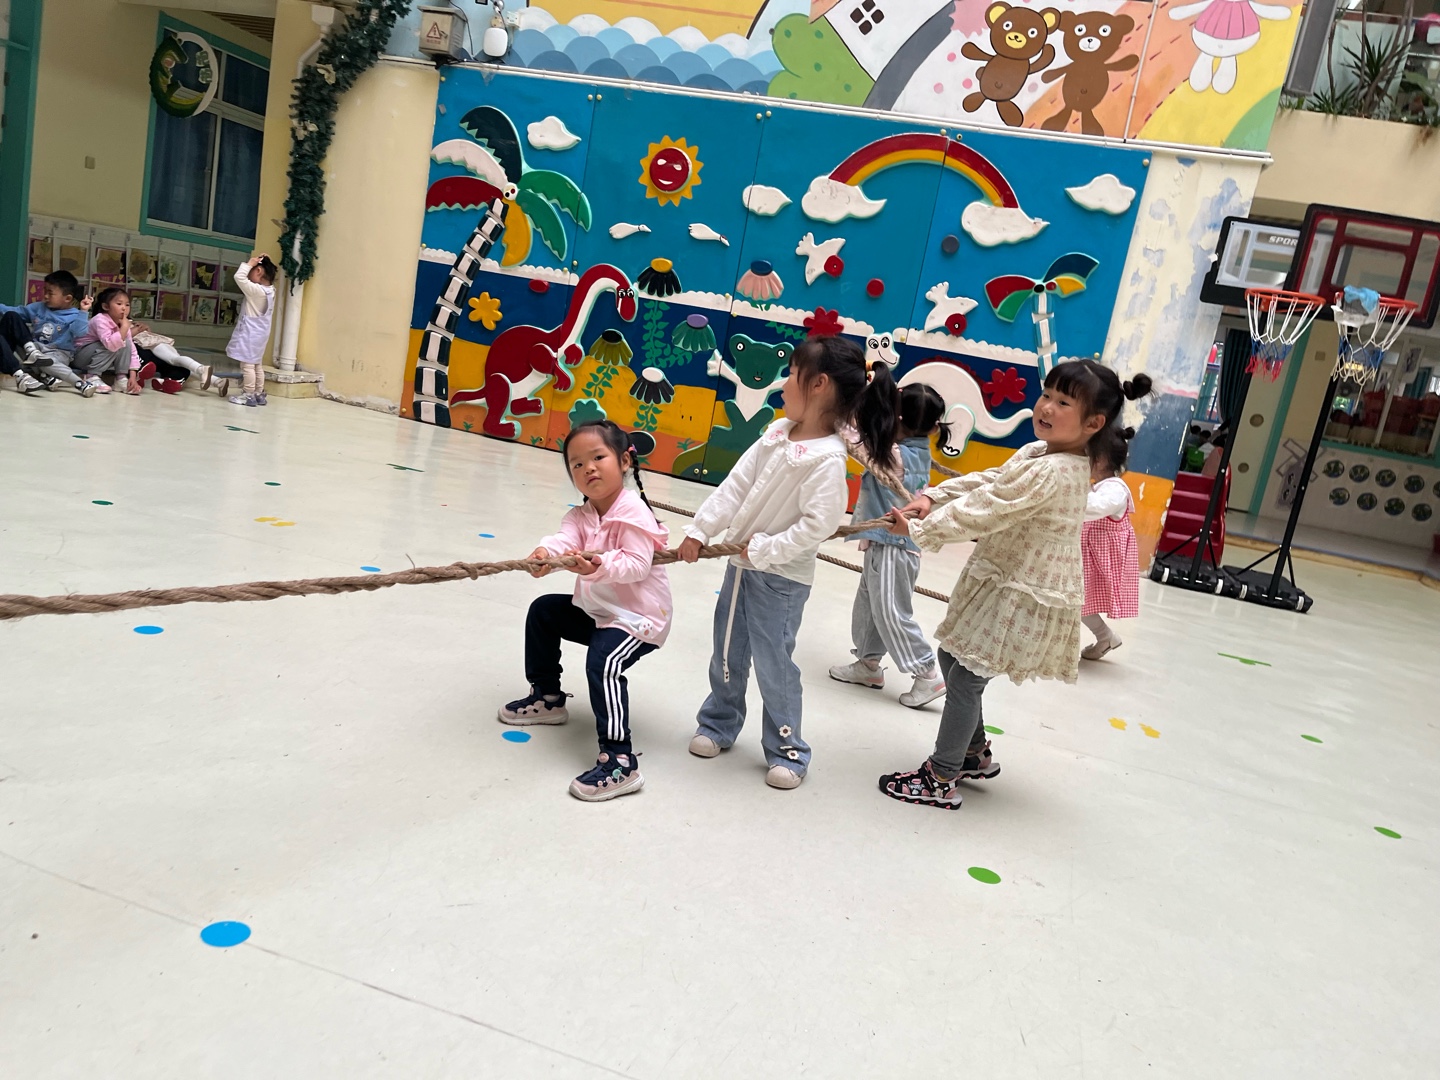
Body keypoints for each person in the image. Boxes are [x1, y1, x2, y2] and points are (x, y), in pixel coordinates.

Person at [877, 362, 1153, 810]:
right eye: (1047, 395)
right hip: (1006, 573)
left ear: (1093, 423)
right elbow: (993, 481)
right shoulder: (1039, 452)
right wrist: (933, 497)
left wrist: (920, 530)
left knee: (967, 676)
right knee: (953, 657)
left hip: (1024, 588)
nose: (1046, 407)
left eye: (1064, 402)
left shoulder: (1057, 470)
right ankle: (972, 753)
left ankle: (941, 776)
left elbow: (991, 507)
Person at [679, 334, 898, 790]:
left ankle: (788, 750)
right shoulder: (777, 432)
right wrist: (701, 529)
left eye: (792, 375)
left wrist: (765, 550)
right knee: (726, 650)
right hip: (740, 568)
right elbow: (736, 485)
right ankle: (718, 723)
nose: (782, 385)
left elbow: (819, 524)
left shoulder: (827, 459)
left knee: (774, 664)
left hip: (780, 580)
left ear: (819, 385)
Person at [498, 420, 672, 802]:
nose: (588, 468)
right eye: (577, 464)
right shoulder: (582, 515)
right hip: (599, 612)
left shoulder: (633, 513)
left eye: (598, 457)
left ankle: (621, 761)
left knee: (604, 660)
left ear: (624, 461)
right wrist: (546, 554)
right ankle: (547, 697)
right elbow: (565, 539)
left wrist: (597, 565)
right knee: (544, 611)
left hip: (637, 619)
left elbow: (636, 565)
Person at [829, 382, 949, 708]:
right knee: (870, 607)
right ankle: (868, 665)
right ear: (934, 428)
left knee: (891, 612)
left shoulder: (894, 457)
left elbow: (853, 439)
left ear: (894, 418)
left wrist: (834, 408)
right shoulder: (919, 451)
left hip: (894, 547)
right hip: (887, 545)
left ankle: (927, 673)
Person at [1081, 425, 1141, 661]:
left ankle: (1104, 636)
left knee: (1076, 600)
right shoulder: (1098, 485)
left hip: (1101, 559)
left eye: (1087, 454)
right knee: (1076, 600)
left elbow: (1095, 507)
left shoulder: (1115, 489)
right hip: (1089, 555)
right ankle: (1105, 637)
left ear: (1101, 459)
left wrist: (1067, 494)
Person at [0, 271, 96, 396]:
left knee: (47, 362)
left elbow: (80, 332)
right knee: (11, 316)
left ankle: (78, 383)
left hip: (58, 354)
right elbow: (15, 312)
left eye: (50, 293)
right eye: (44, 290)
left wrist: (83, 312)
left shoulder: (75, 315)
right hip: (34, 350)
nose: (45, 296)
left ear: (67, 298)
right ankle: (45, 374)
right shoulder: (38, 307)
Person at [73, 287, 155, 395]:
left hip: (100, 357)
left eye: (127, 305)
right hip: (81, 357)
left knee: (126, 343)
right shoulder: (100, 319)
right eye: (119, 304)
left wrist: (133, 377)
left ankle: (120, 378)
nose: (124, 308)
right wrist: (124, 327)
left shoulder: (124, 323)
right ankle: (91, 377)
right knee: (113, 342)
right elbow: (111, 344)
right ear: (106, 306)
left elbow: (132, 351)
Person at [225, 254, 276, 407]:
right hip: (261, 334)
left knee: (247, 366)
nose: (248, 274)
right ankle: (259, 393)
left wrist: (249, 263)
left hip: (250, 333)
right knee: (257, 364)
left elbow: (239, 277)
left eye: (252, 270)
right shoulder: (271, 290)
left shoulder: (256, 291)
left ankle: (248, 395)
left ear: (259, 271)